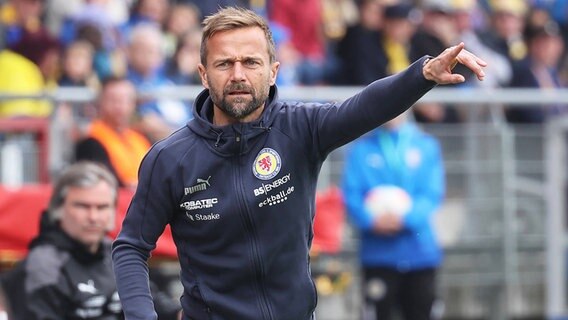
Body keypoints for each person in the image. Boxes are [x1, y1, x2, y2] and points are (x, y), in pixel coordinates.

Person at [112, 6, 486, 320]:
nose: (238, 74)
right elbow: (131, 247)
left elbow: (364, 107)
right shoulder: (170, 158)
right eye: (224, 63)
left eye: (251, 62)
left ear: (273, 71)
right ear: (203, 74)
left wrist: (421, 74)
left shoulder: (301, 128)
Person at [0, 162, 181, 320]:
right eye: (82, 206)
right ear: (58, 209)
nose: (93, 217)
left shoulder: (118, 255)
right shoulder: (41, 268)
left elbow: (161, 309)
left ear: (113, 212)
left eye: (102, 207)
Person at [341, 112, 445, 320]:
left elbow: (432, 193)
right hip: (378, 255)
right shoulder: (361, 149)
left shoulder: (426, 146)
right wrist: (370, 219)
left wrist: (405, 218)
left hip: (420, 254)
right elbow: (350, 194)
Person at [75, 76, 151, 189]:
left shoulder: (140, 139)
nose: (120, 106)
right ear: (100, 102)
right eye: (113, 100)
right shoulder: (90, 141)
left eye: (126, 100)